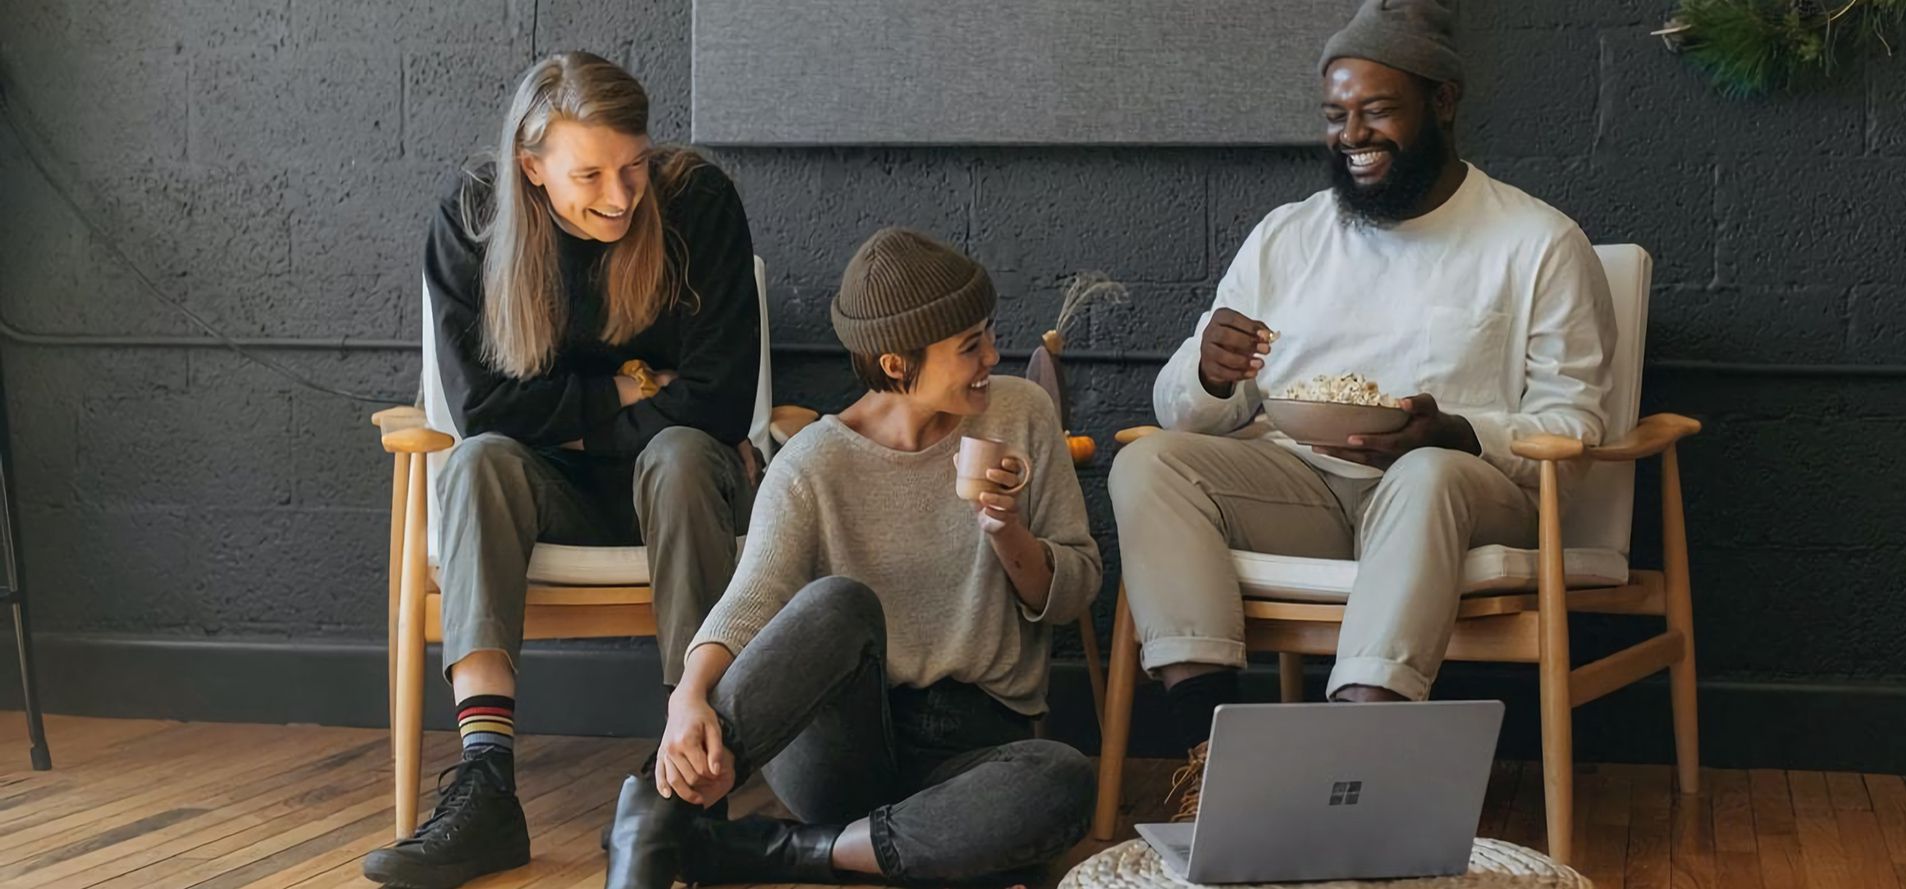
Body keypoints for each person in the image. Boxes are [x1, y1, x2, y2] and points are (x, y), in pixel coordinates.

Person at [1107, 0, 1617, 817]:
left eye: (1378, 111)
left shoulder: (1538, 242)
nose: (1353, 134)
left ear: (1442, 102)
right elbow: (1183, 415)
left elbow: (1575, 424)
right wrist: (1208, 372)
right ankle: (1215, 765)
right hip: (1303, 484)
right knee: (1148, 462)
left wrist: (1458, 433)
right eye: (1337, 115)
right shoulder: (1287, 235)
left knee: (1425, 474)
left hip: (1464, 494)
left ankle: (1351, 765)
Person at [361, 51, 761, 889]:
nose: (621, 196)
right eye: (591, 174)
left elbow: (719, 406)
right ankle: (486, 783)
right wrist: (629, 389)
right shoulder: (473, 217)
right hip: (549, 497)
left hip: (686, 490)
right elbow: (478, 410)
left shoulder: (699, 204)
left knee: (684, 453)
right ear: (531, 166)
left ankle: (689, 776)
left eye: (634, 166)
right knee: (475, 465)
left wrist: (567, 417)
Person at [600, 228, 1101, 889]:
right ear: (897, 363)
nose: (992, 354)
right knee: (838, 603)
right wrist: (688, 697)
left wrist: (1006, 529)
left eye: (988, 332)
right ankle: (657, 816)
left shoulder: (1022, 412)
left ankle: (781, 850)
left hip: (973, 744)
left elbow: (1077, 590)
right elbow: (750, 600)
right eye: (968, 345)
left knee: (1064, 781)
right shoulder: (813, 463)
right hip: (841, 746)